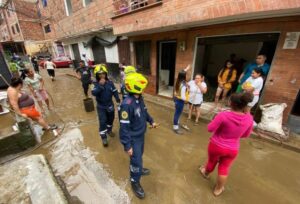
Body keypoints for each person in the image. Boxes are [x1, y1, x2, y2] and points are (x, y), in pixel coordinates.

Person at [199, 92, 254, 196]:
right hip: (233, 149)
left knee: (212, 161)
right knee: (224, 168)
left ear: (231, 103)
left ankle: (205, 173)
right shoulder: (249, 118)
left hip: (216, 146)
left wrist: (216, 119)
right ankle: (218, 189)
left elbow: (209, 128)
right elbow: (246, 135)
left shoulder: (223, 115)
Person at [119, 72, 157, 199]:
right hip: (133, 138)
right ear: (135, 87)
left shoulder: (139, 98)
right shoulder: (126, 105)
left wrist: (151, 121)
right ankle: (135, 182)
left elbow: (144, 112)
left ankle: (139, 168)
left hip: (140, 136)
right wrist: (127, 145)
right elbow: (123, 128)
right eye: (142, 86)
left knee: (139, 156)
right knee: (135, 161)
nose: (144, 89)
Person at [92, 66, 121, 147]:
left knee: (110, 120)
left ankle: (109, 130)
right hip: (101, 107)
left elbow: (114, 91)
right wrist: (100, 85)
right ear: (97, 75)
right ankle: (104, 138)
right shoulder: (94, 84)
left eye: (103, 74)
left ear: (106, 74)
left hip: (110, 105)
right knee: (102, 121)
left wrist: (117, 99)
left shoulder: (110, 83)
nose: (102, 76)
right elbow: (93, 93)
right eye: (99, 74)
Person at [173, 65, 190, 134]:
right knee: (177, 114)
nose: (187, 76)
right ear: (184, 76)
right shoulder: (183, 85)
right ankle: (176, 128)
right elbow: (183, 97)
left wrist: (186, 69)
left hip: (177, 99)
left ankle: (177, 122)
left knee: (177, 113)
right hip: (180, 101)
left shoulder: (178, 80)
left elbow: (182, 72)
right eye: (186, 75)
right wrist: (188, 99)